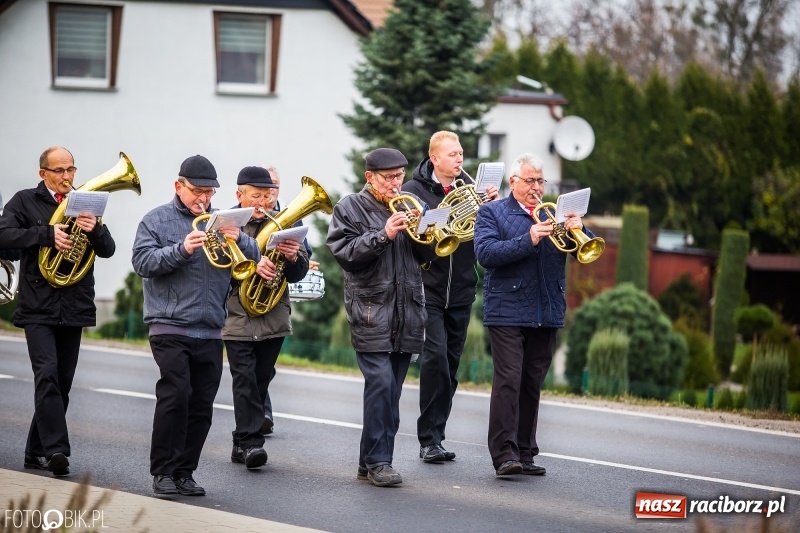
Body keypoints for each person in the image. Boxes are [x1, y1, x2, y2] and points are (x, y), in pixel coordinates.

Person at [132, 155, 260, 496]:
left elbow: (254, 259)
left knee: (202, 406)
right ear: (179, 186)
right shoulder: (156, 220)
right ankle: (163, 472)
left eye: (209, 192)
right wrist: (181, 250)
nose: (203, 198)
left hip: (211, 327)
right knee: (176, 396)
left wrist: (240, 239)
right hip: (169, 325)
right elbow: (142, 262)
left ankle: (185, 472)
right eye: (197, 191)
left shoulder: (221, 221)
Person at [474, 152, 593, 476]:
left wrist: (579, 228)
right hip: (507, 311)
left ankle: (525, 452)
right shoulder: (492, 212)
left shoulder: (555, 215)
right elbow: (486, 254)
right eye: (530, 181)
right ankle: (504, 455)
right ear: (513, 182)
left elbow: (584, 251)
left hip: (546, 309)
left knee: (531, 383)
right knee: (509, 381)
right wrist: (528, 239)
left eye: (541, 181)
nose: (537, 187)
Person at [0, 146, 116, 477]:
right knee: (47, 375)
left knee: (62, 382)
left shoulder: (84, 202)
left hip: (74, 305)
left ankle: (35, 451)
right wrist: (46, 234)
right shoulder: (24, 201)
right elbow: (3, 236)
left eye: (71, 169)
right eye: (59, 170)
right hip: (38, 306)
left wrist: (95, 229)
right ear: (43, 174)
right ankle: (56, 450)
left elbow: (108, 250)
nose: (67, 176)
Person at [326, 148, 430, 487]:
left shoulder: (412, 205)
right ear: (369, 177)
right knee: (381, 385)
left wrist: (426, 231)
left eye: (400, 176)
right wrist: (384, 234)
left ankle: (367, 461)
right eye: (388, 177)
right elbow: (346, 254)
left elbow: (428, 255)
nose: (396, 183)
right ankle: (379, 462)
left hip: (407, 311)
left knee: (391, 393)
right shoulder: (349, 207)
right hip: (371, 310)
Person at [402, 131, 498, 463]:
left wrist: (490, 207)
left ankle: (436, 436)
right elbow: (409, 241)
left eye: (461, 153)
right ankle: (427, 439)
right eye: (453, 154)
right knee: (436, 361)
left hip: (460, 289)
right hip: (426, 288)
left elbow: (485, 234)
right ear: (435, 158)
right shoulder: (413, 191)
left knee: (451, 367)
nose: (460, 158)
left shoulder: (471, 188)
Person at [224, 166, 308, 469]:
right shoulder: (226, 223)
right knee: (244, 380)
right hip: (236, 315)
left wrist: (293, 257)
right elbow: (214, 268)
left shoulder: (287, 222)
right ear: (240, 194)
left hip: (273, 315)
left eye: (268, 196)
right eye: (256, 196)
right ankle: (251, 444)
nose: (263, 203)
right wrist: (253, 262)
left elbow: (298, 273)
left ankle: (240, 441)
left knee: (260, 381)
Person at [257, 165, 316, 436]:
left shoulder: (292, 216)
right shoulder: (242, 214)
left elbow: (304, 255)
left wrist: (297, 258)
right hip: (245, 301)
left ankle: (260, 415)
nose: (269, 192)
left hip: (275, 300)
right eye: (264, 187)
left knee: (264, 367)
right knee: (247, 370)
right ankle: (257, 419)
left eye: (274, 186)